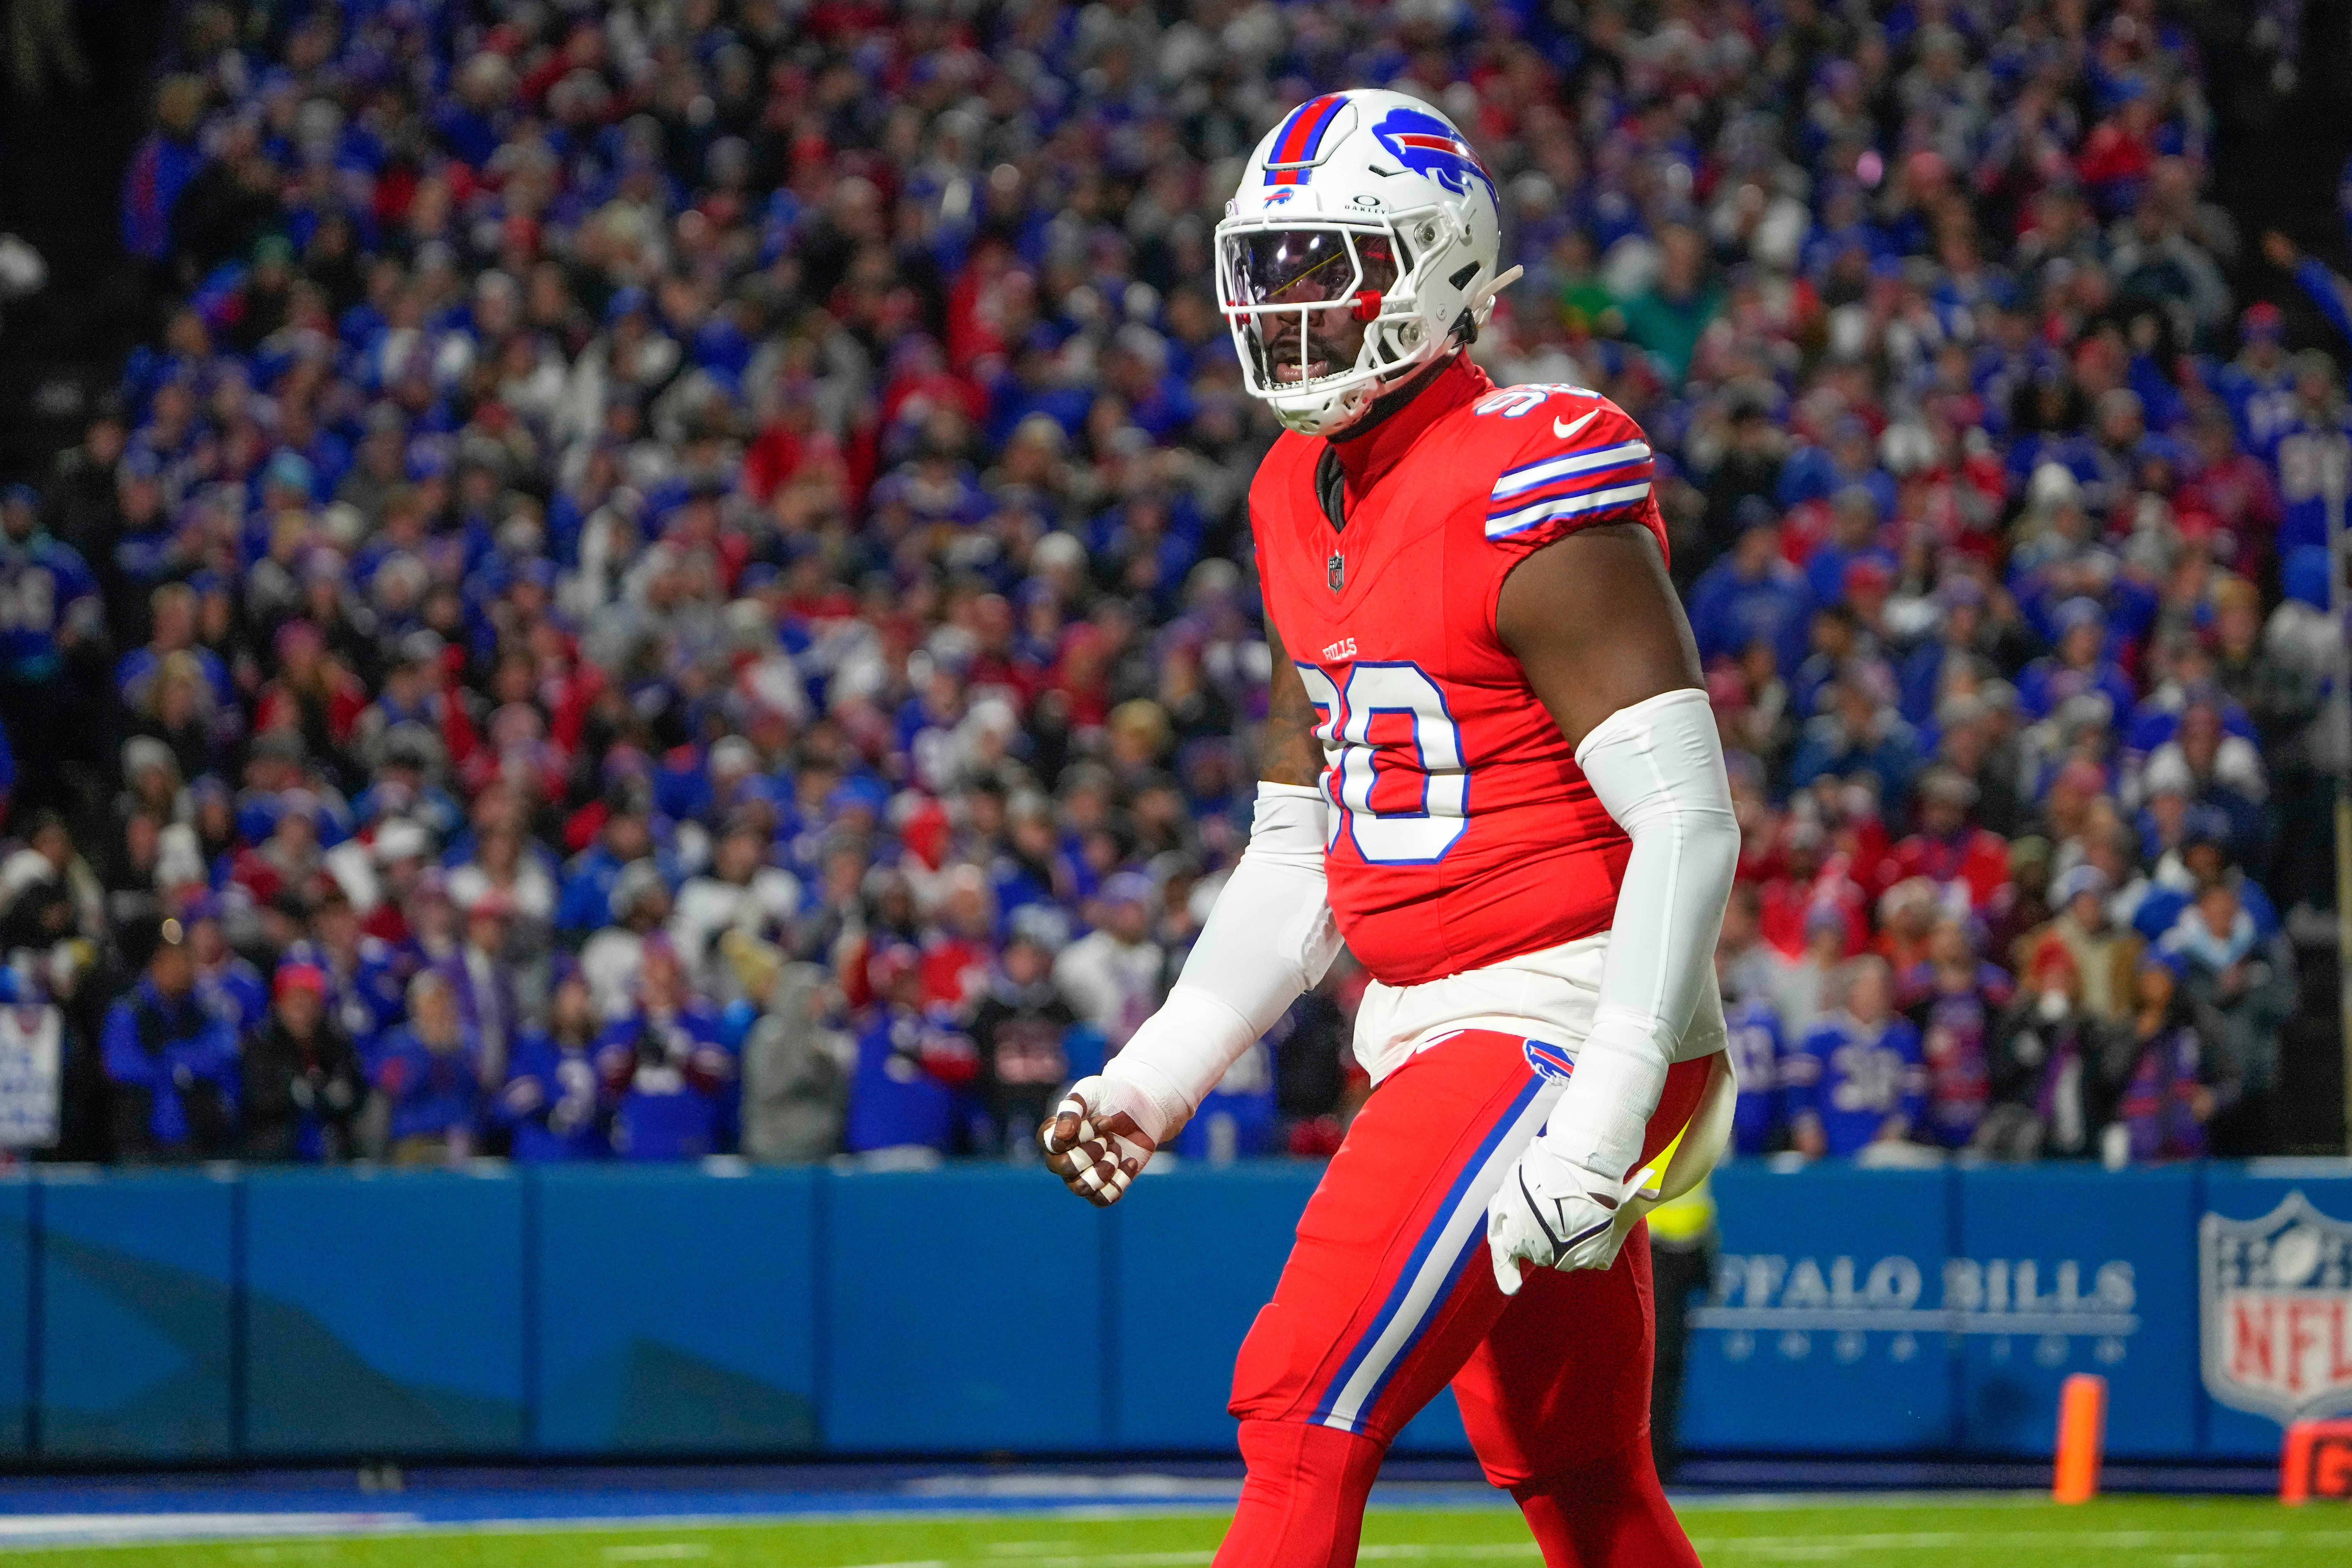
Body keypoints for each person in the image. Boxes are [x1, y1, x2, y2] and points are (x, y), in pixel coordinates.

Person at [1039, 92, 1733, 1568]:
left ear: (1439, 264)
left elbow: (1686, 818)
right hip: (1436, 1024)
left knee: (1302, 1402)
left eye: (1328, 266)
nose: (1286, 307)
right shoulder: (1294, 491)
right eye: (1268, 268)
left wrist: (1607, 1108)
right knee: (1575, 1472)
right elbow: (1305, 848)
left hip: (1564, 1012)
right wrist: (1156, 1073)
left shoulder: (1531, 469)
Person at [101, 914, 240, 1161]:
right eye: (171, 960)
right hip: (139, 1139)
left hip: (200, 1137)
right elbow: (120, 1066)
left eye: (186, 959)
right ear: (155, 964)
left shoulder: (207, 1011)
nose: (180, 969)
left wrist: (168, 1059)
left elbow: (223, 1055)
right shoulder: (129, 1010)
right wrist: (180, 1067)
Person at [1786, 957, 1927, 1160]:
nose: (1874, 996)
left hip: (1884, 1150)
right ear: (1852, 990)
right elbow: (1798, 1089)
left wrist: (1898, 1127)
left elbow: (1915, 1091)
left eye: (1880, 989)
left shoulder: (1904, 1036)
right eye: (1867, 987)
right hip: (1829, 1144)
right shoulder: (1820, 1035)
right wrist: (1807, 1128)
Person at [241, 960, 365, 1161]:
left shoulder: (335, 1042)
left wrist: (337, 1094)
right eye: (294, 1001)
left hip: (333, 1151)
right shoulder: (262, 1044)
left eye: (309, 1000)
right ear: (280, 1005)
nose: (303, 1009)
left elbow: (358, 1093)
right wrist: (292, 1092)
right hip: (277, 1152)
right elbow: (256, 1099)